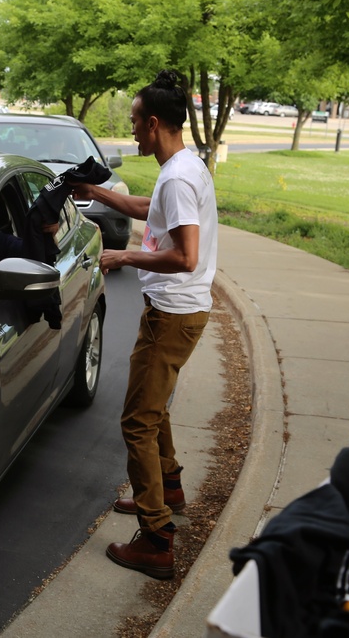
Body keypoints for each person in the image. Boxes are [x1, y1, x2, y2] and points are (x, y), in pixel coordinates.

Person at [70, 69, 218, 580]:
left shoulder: (177, 178)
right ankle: (166, 489)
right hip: (175, 311)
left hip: (173, 313)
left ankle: (156, 538)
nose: (131, 128)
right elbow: (148, 211)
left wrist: (125, 257)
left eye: (134, 120)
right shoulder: (185, 165)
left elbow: (186, 256)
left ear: (154, 123)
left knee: (137, 421)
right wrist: (94, 191)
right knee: (152, 407)